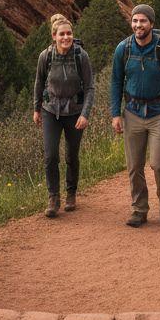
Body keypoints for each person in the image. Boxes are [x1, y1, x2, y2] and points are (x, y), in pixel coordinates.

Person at [110, 4, 160, 227]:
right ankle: (139, 209)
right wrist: (115, 114)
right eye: (135, 21)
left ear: (151, 23)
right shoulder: (123, 49)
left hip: (159, 113)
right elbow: (115, 82)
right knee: (134, 166)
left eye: (143, 21)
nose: (138, 25)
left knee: (158, 163)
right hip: (132, 112)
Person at [33, 14, 94, 218]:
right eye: (62, 34)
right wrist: (36, 109)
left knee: (71, 155)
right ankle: (53, 197)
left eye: (69, 33)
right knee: (51, 156)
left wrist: (85, 114)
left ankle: (71, 193)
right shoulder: (46, 56)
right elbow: (39, 83)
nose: (66, 37)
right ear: (54, 36)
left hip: (75, 112)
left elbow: (90, 87)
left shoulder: (81, 56)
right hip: (51, 111)